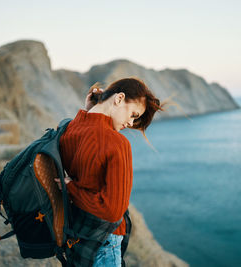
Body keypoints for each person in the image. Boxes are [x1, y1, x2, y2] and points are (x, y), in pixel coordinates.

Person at [55, 77, 162, 267]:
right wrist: (70, 187)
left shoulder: (68, 130)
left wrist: (90, 111)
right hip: (105, 242)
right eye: (133, 114)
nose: (130, 123)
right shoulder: (117, 143)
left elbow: (87, 136)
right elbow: (113, 212)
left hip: (77, 233)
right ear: (119, 99)